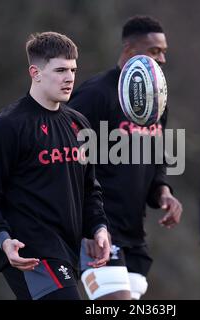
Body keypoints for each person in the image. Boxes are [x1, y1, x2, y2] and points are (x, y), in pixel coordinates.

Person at [0, 31, 110, 300]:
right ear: (35, 72)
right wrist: (4, 240)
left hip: (67, 254)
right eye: (60, 70)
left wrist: (99, 229)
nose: (69, 78)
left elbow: (90, 190)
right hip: (30, 253)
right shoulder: (7, 126)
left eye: (73, 70)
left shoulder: (79, 124)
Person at [67, 15, 182, 300]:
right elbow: (67, 164)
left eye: (164, 51)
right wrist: (86, 228)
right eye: (155, 50)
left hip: (135, 235)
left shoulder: (156, 100)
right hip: (100, 231)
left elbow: (156, 159)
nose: (163, 59)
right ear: (130, 51)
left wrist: (163, 191)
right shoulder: (94, 95)